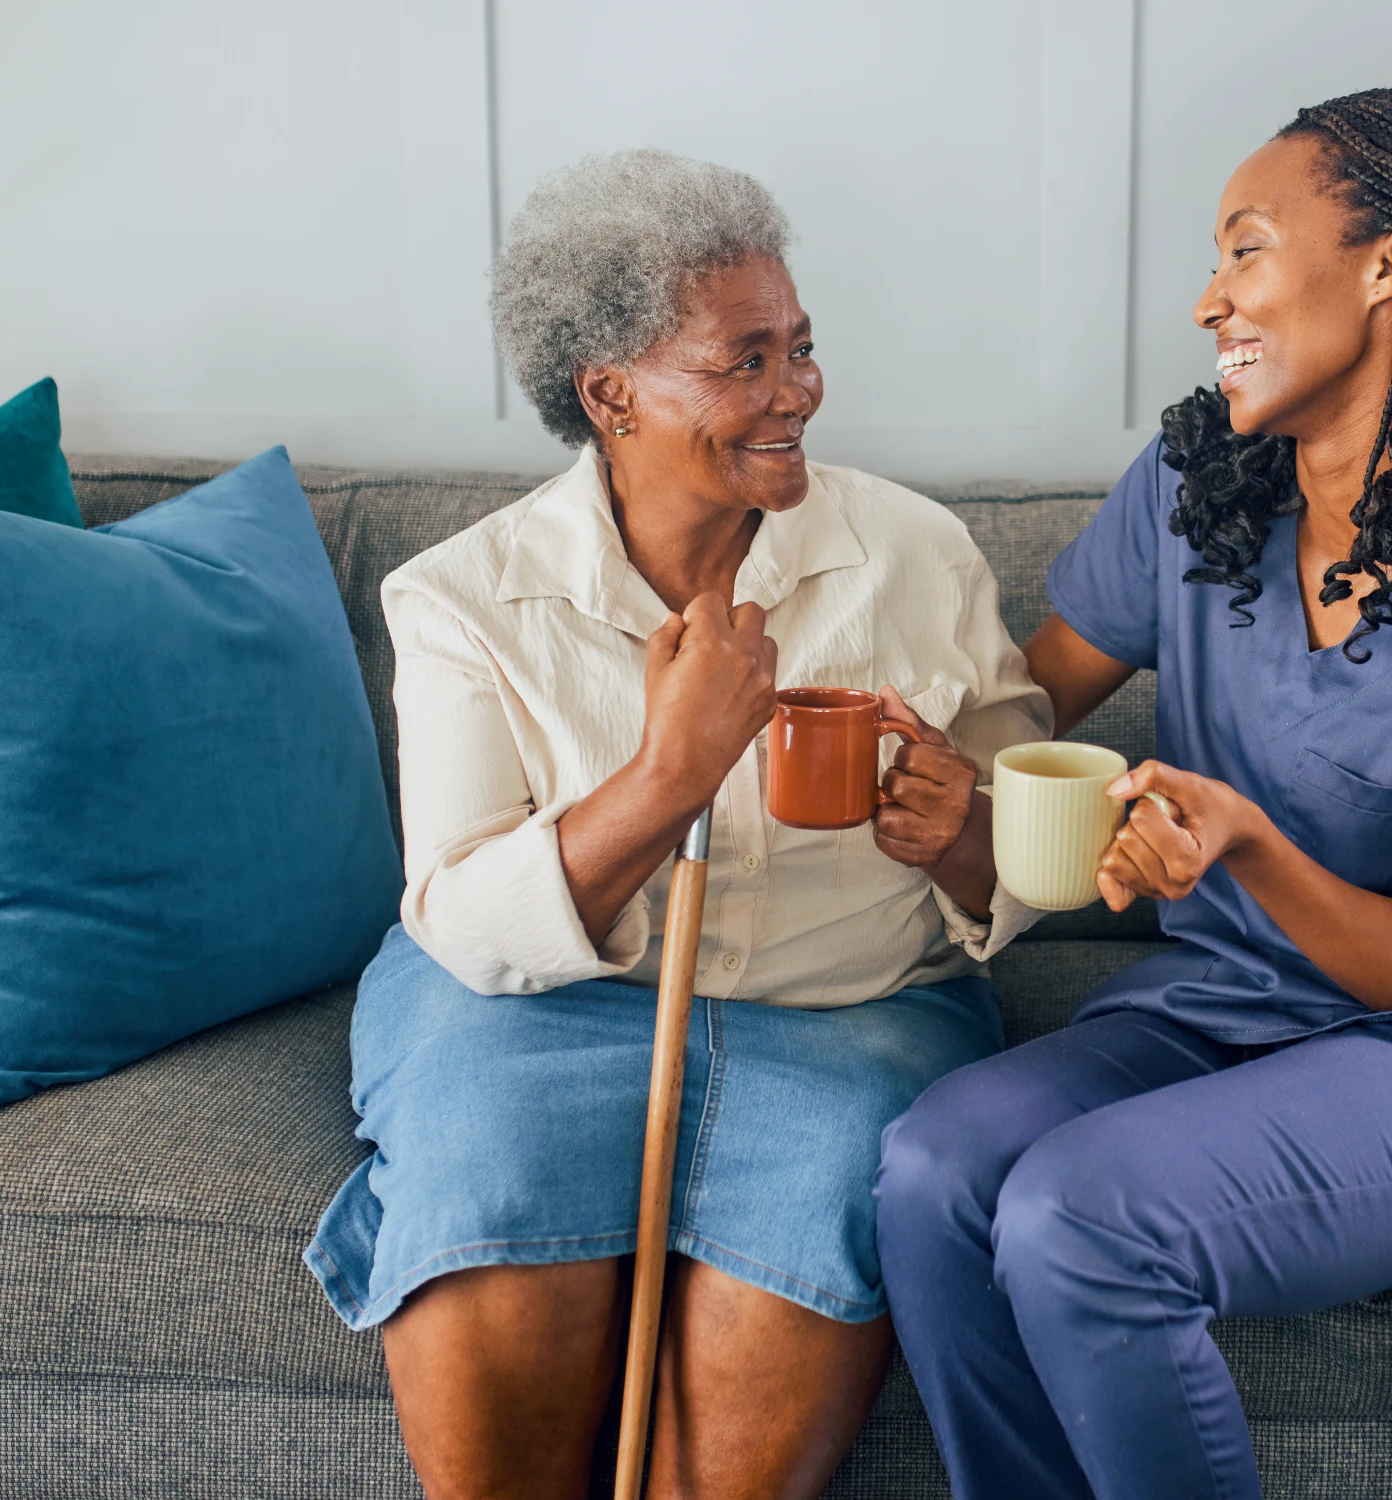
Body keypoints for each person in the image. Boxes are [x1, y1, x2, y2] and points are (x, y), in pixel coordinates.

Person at [874, 87, 1392, 1500]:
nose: (1206, 299)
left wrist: (1239, 848)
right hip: (1220, 1010)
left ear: (1387, 263)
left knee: (1079, 1216)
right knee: (934, 1168)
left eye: (1243, 249)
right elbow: (1019, 722)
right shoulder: (1198, 487)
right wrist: (941, 789)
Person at [304, 150, 1050, 1500]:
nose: (796, 393)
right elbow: (471, 924)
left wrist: (958, 831)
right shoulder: (463, 598)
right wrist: (667, 776)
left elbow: (1024, 870)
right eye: (743, 360)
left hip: (849, 1009)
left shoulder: (918, 556)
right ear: (610, 393)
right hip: (529, 1010)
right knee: (483, 1210)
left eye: (802, 349)